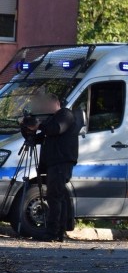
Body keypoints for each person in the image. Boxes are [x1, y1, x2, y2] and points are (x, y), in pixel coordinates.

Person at [23, 92, 81, 242]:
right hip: (53, 163)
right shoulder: (52, 119)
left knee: (55, 197)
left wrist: (39, 125)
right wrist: (27, 128)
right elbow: (38, 138)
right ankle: (58, 232)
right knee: (56, 196)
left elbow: (56, 129)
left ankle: (53, 232)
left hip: (62, 162)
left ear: (53, 103)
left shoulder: (65, 115)